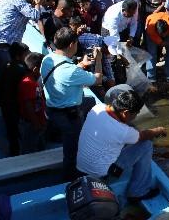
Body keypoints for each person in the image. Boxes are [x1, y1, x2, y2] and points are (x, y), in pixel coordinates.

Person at [77, 89, 166, 202]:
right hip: (102, 177)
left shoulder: (97, 108)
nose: (136, 116)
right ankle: (138, 191)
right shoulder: (123, 132)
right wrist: (158, 130)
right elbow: (142, 136)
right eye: (136, 114)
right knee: (146, 145)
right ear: (125, 112)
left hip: (81, 168)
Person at [42, 27, 102, 180]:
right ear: (72, 44)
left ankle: (55, 133)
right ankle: (71, 177)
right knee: (72, 150)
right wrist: (99, 59)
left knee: (90, 101)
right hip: (69, 115)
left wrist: (82, 64)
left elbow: (66, 73)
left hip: (52, 107)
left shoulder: (47, 59)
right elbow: (98, 79)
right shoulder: (71, 71)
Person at [0, 42, 30, 156]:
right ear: (18, 56)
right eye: (26, 54)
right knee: (17, 131)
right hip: (15, 106)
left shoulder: (5, 65)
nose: (28, 56)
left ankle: (14, 152)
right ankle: (19, 154)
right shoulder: (21, 70)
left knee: (11, 132)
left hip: (4, 104)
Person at [69, 16, 116, 92]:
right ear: (105, 46)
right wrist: (101, 84)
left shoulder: (103, 47)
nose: (110, 54)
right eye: (109, 51)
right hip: (76, 55)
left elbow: (107, 65)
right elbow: (93, 68)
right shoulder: (94, 45)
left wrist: (111, 80)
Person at [18, 52, 47, 154]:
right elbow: (29, 106)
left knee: (39, 147)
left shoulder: (33, 81)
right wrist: (37, 124)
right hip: (31, 124)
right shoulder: (28, 83)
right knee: (30, 149)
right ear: (35, 69)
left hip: (38, 122)